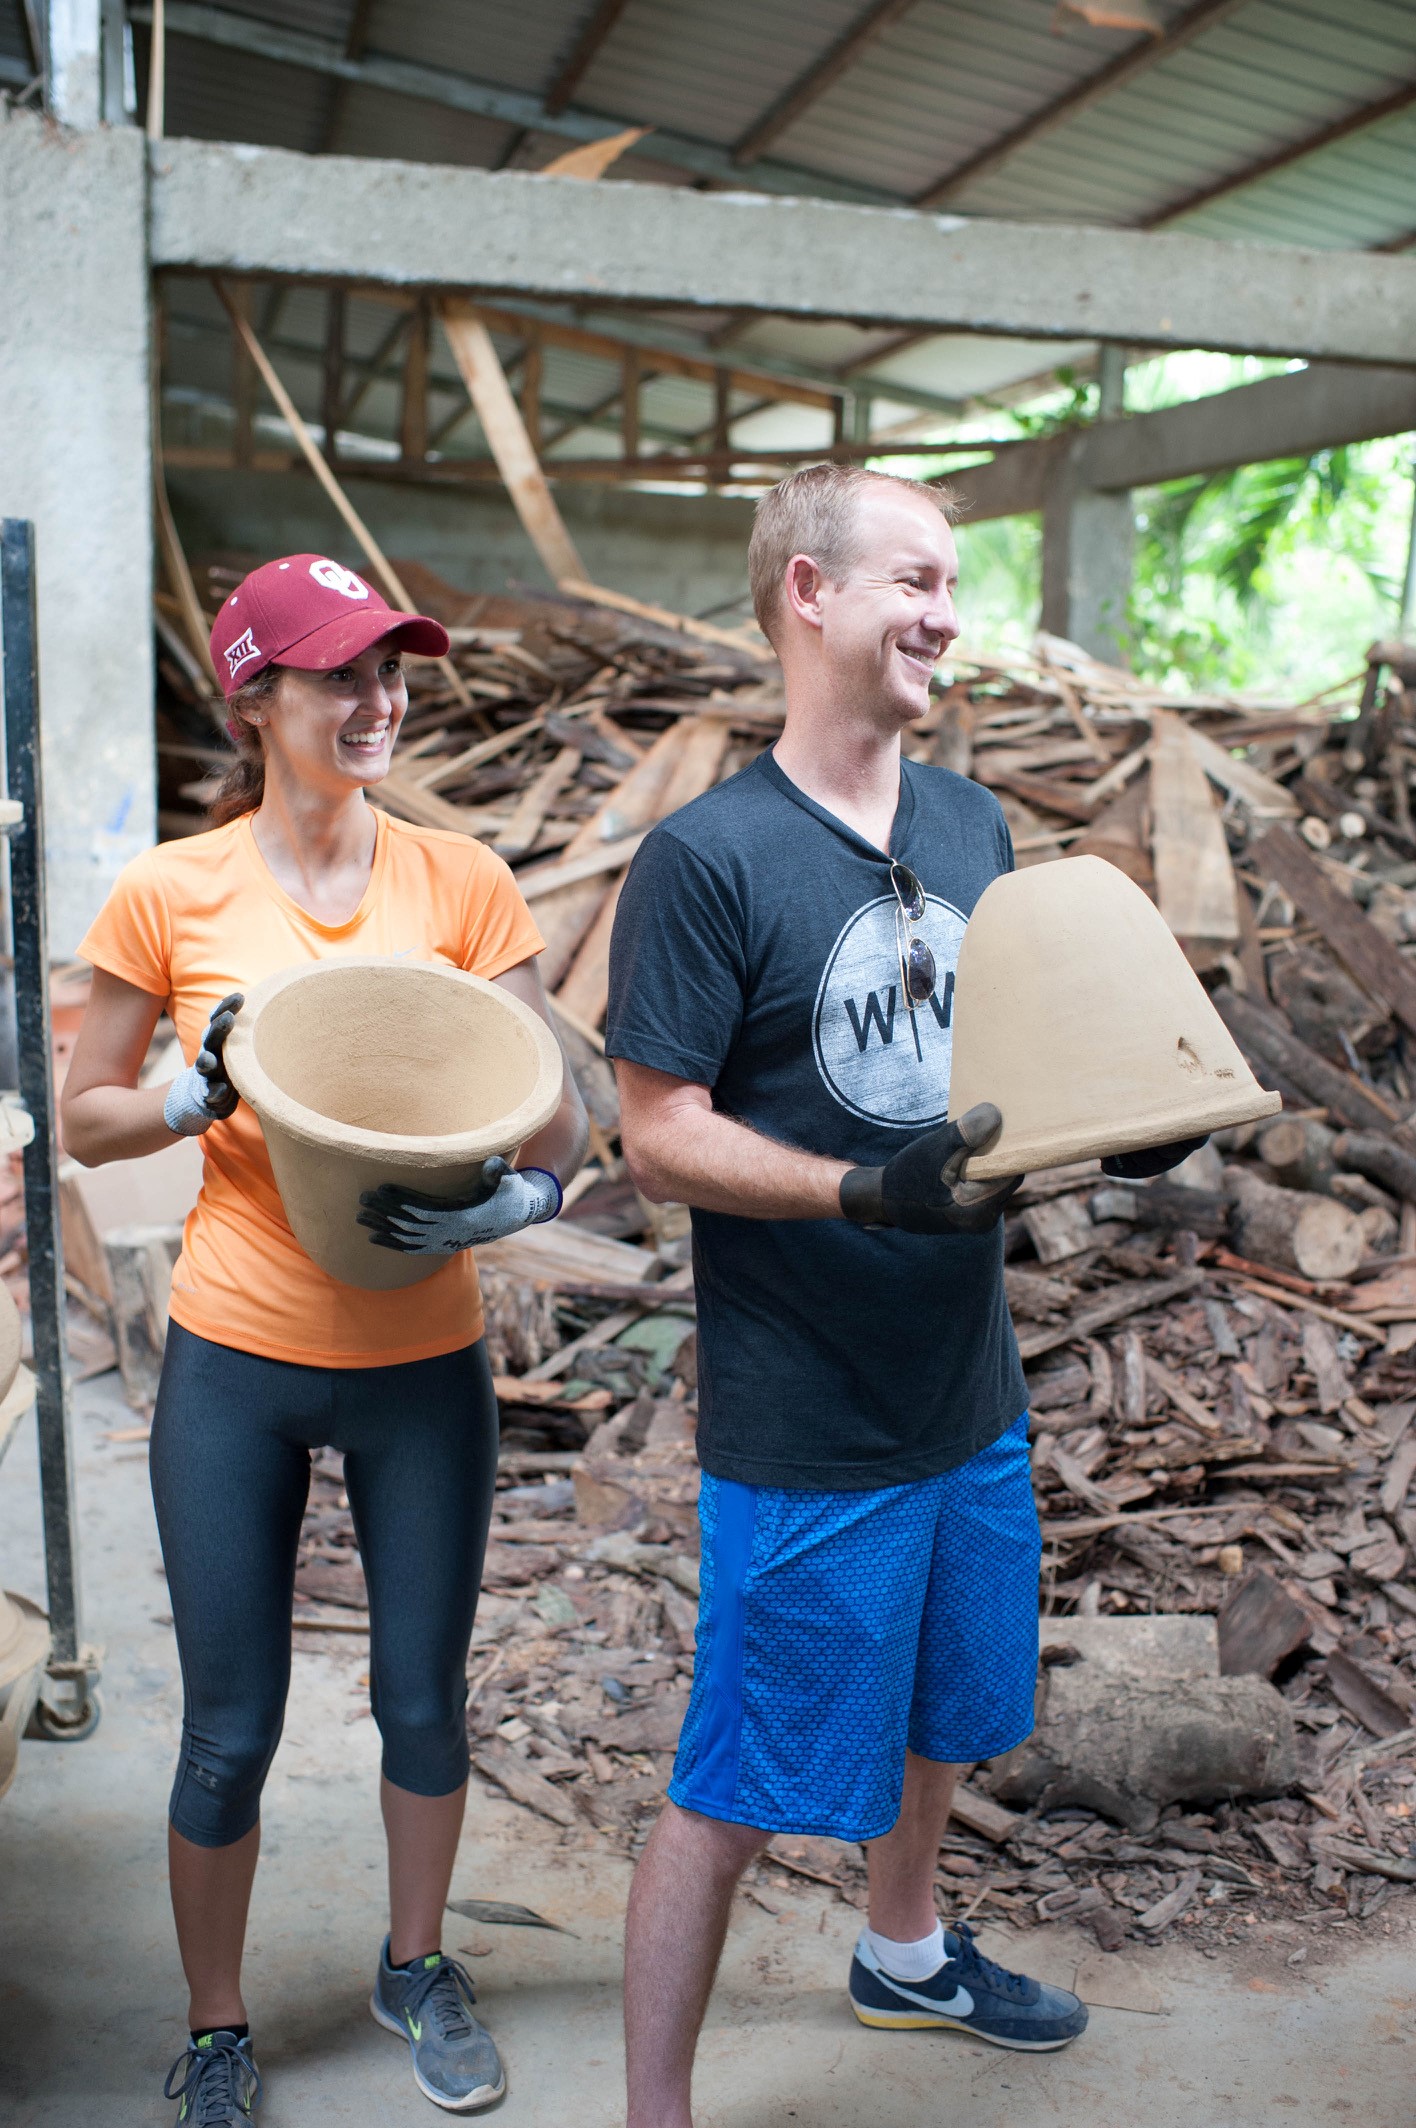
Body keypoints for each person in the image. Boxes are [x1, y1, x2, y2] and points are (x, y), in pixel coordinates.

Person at [604, 464, 1200, 2127]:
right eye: (916, 579)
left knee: (950, 1705)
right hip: (808, 1418)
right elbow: (656, 1138)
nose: (948, 612)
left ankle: (907, 1947)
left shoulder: (966, 825)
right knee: (736, 1782)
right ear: (809, 592)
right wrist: (858, 1188)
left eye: (953, 582)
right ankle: (656, 2109)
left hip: (969, 1388)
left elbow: (994, 1071)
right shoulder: (705, 860)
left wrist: (1118, 1118)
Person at [63, 555, 587, 2123]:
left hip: (426, 1362)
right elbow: (88, 1124)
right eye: (343, 675)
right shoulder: (173, 893)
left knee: (424, 1700)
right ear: (259, 693)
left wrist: (522, 1201)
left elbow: (561, 1106)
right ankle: (219, 2026)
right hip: (238, 1354)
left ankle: (416, 1964)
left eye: (391, 672)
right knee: (230, 1724)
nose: (380, 702)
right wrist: (186, 1092)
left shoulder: (461, 883)